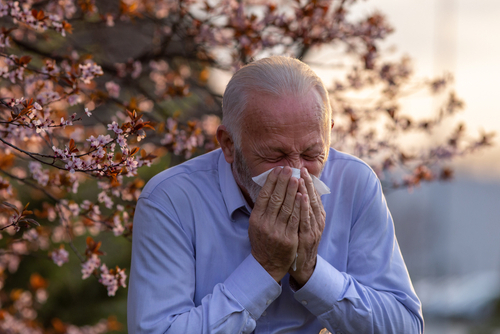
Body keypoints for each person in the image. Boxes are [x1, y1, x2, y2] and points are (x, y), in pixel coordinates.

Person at [127, 56, 424, 333]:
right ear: (229, 145)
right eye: (275, 155)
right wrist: (265, 268)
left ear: (328, 134)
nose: (296, 172)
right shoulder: (171, 200)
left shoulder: (354, 184)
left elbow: (405, 324)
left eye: (311, 153)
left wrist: (310, 271)